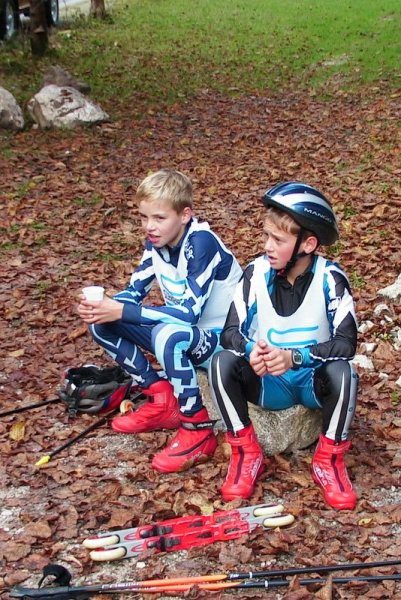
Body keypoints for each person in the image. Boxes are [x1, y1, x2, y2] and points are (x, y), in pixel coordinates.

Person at [77, 168, 242, 473]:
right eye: (143, 218)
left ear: (185, 214)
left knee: (169, 334)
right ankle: (161, 398)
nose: (149, 227)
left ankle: (197, 428)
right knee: (101, 323)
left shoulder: (201, 243)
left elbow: (189, 314)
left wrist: (122, 311)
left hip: (226, 341)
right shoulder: (156, 243)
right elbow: (134, 292)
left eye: (159, 218)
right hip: (189, 334)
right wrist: (103, 307)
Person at [209, 181, 358, 510]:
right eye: (266, 237)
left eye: (278, 240)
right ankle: (246, 454)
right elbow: (229, 332)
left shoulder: (330, 278)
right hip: (268, 383)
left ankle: (329, 461)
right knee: (222, 362)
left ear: (308, 244)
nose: (268, 247)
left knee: (344, 372)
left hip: (310, 383)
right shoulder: (255, 274)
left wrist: (295, 357)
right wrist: (252, 351)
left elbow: (347, 343)